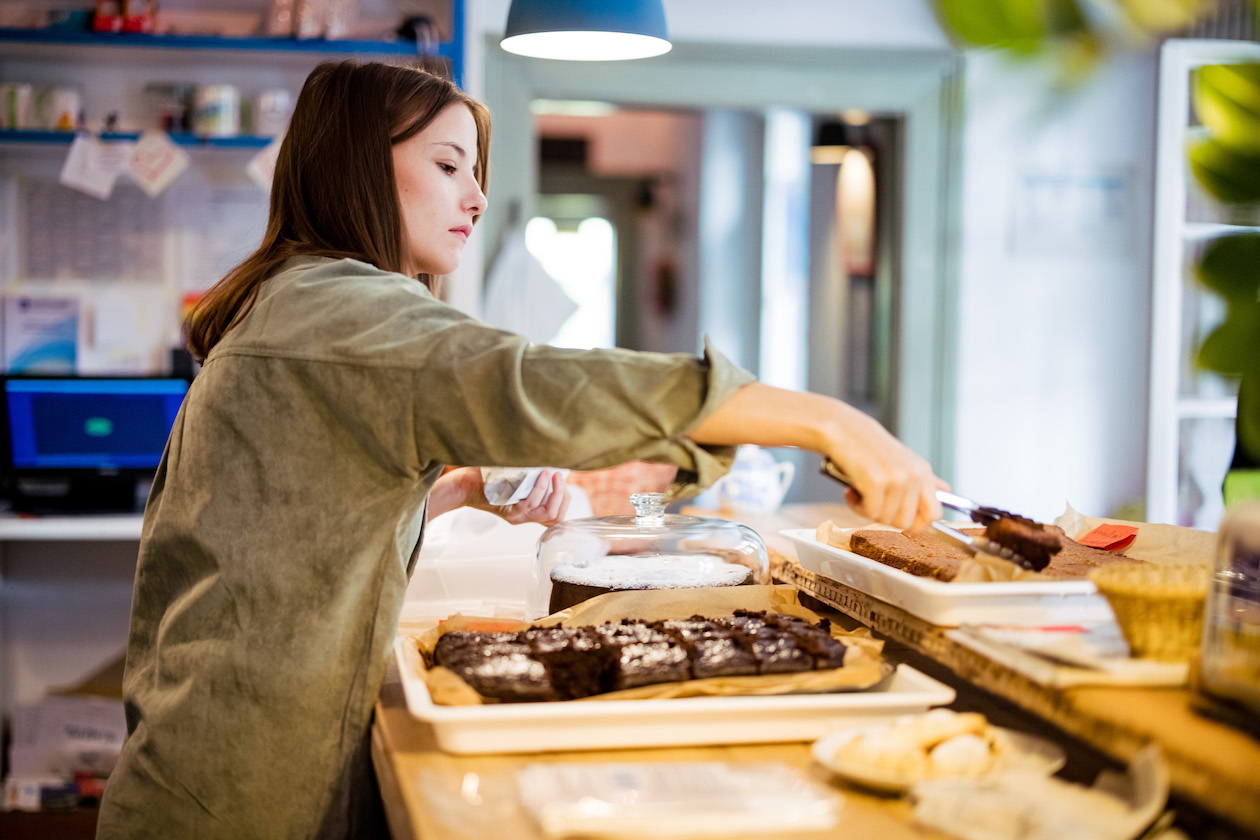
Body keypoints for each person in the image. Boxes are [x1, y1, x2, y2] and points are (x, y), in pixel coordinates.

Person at [96, 60, 943, 839]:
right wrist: (832, 421)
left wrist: (456, 488)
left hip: (208, 769)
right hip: (238, 798)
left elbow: (288, 518)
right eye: (447, 164)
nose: (475, 195)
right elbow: (534, 381)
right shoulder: (343, 312)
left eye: (475, 169)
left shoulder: (300, 301)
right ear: (355, 163)